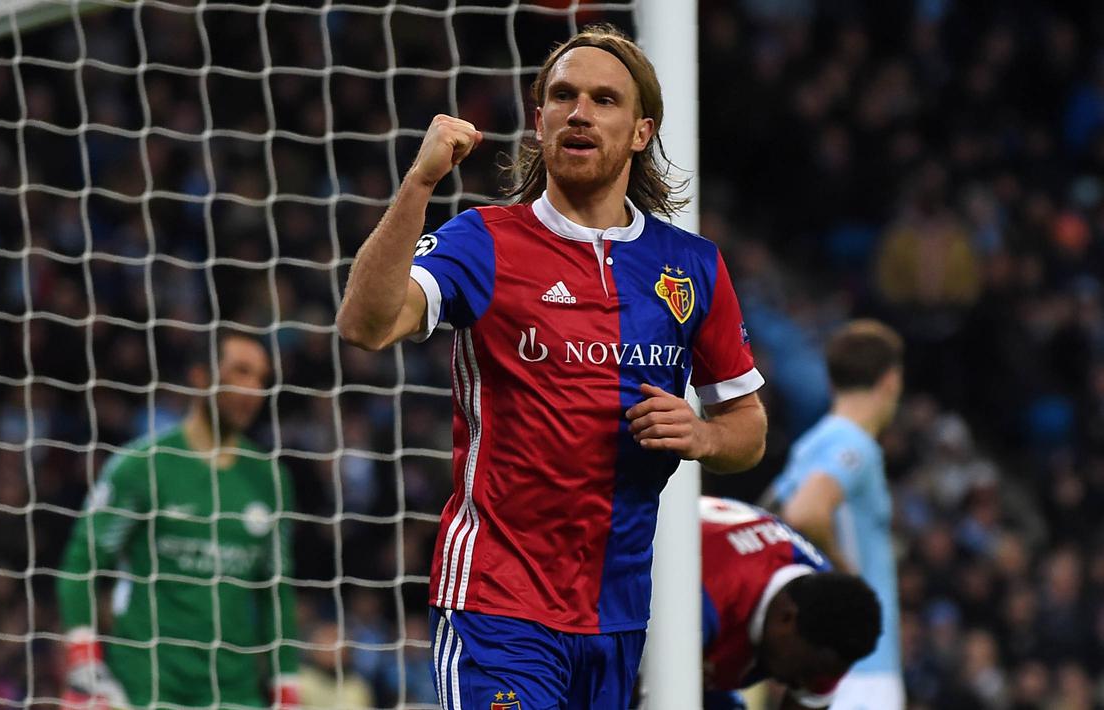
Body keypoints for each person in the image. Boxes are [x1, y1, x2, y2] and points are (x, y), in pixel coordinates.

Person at [336, 24, 767, 710]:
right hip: (497, 604)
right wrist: (420, 182)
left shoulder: (692, 268)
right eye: (562, 96)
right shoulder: (483, 240)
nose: (578, 112)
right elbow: (363, 324)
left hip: (618, 617)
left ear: (639, 132)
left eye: (603, 99)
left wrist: (704, 436)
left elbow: (746, 427)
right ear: (538, 122)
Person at [56, 330, 301, 708]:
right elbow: (82, 561)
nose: (254, 389)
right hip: (146, 686)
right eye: (241, 372)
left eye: (262, 378)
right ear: (201, 376)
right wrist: (83, 659)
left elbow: (276, 591)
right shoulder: (141, 466)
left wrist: (286, 684)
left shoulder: (270, 479)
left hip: (234, 692)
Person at [764, 319, 905, 710]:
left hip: (826, 664)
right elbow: (806, 512)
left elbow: (768, 517)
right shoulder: (854, 444)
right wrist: (849, 586)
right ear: (891, 380)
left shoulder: (809, 445)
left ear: (830, 382)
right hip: (862, 668)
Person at [699, 496, 882, 710]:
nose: (805, 684)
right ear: (787, 618)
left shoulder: (829, 629)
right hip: (669, 593)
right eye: (807, 672)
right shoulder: (710, 596)